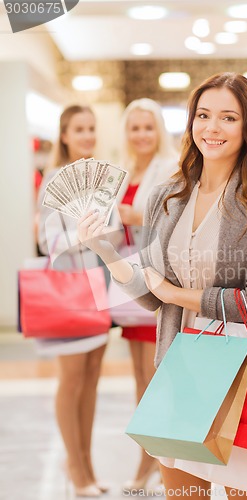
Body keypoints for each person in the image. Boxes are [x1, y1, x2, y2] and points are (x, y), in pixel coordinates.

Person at [77, 72, 247, 499]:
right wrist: (105, 251)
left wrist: (176, 294)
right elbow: (148, 295)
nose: (212, 128)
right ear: (191, 121)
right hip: (177, 366)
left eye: (228, 118)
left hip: (241, 370)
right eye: (203, 115)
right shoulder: (167, 196)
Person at [37, 105, 109, 498]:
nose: (86, 136)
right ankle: (77, 470)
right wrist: (79, 237)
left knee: (93, 378)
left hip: (98, 288)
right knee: (73, 380)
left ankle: (86, 464)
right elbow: (48, 244)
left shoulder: (98, 180)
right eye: (79, 129)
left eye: (91, 129)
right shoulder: (52, 181)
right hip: (67, 292)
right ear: (64, 135)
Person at [112, 98, 178, 492]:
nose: (141, 135)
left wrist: (134, 215)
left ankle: (154, 462)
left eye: (148, 127)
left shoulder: (169, 169)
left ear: (159, 130)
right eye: (134, 128)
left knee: (155, 379)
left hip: (156, 284)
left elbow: (173, 218)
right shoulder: (121, 172)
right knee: (141, 379)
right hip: (128, 284)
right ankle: (151, 459)